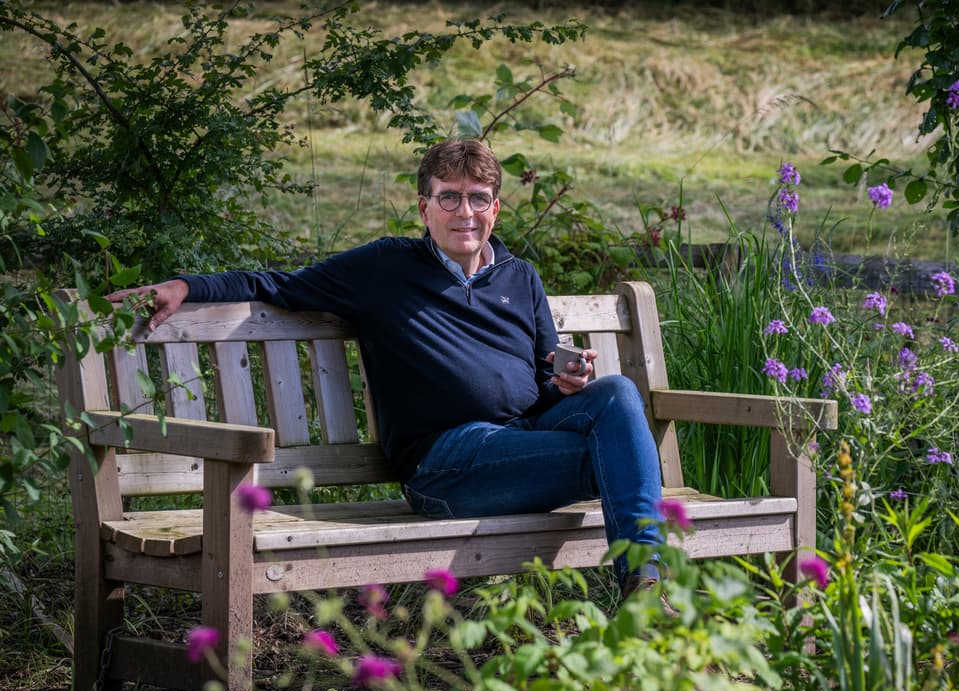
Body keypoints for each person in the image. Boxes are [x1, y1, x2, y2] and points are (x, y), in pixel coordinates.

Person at [107, 138, 665, 599]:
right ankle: (647, 596)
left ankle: (644, 589)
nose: (464, 213)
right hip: (445, 466)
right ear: (424, 207)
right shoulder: (384, 268)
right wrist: (187, 285)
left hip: (520, 443)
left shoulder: (521, 278)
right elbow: (275, 282)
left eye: (477, 199)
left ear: (495, 208)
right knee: (621, 455)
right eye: (448, 198)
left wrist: (567, 383)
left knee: (616, 392)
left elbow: (544, 386)